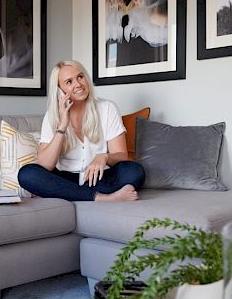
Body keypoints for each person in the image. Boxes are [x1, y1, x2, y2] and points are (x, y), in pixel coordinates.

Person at [18, 60, 145, 202]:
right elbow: (46, 164)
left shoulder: (107, 108)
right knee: (27, 174)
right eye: (69, 82)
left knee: (134, 172)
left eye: (80, 77)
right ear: (60, 90)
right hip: (65, 178)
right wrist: (62, 126)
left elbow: (122, 156)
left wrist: (104, 157)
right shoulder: (52, 116)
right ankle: (101, 197)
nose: (78, 84)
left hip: (99, 177)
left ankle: (70, 194)